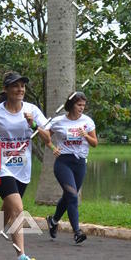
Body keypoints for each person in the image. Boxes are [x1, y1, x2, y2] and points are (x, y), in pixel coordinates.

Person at [0, 71, 52, 260]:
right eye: (15, 86)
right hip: (0, 166)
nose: (20, 90)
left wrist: (33, 124)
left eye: (23, 86)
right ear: (6, 90)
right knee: (17, 208)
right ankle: (21, 258)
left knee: (7, 212)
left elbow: (47, 137)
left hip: (22, 168)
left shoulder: (32, 110)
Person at [44, 91, 98, 244]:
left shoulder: (87, 121)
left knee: (69, 196)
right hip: (63, 162)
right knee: (73, 196)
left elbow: (94, 143)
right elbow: (45, 134)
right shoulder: (58, 121)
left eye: (83, 105)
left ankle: (53, 221)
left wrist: (85, 135)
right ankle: (77, 232)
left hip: (80, 163)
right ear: (71, 105)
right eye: (79, 105)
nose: (82, 108)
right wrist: (52, 147)